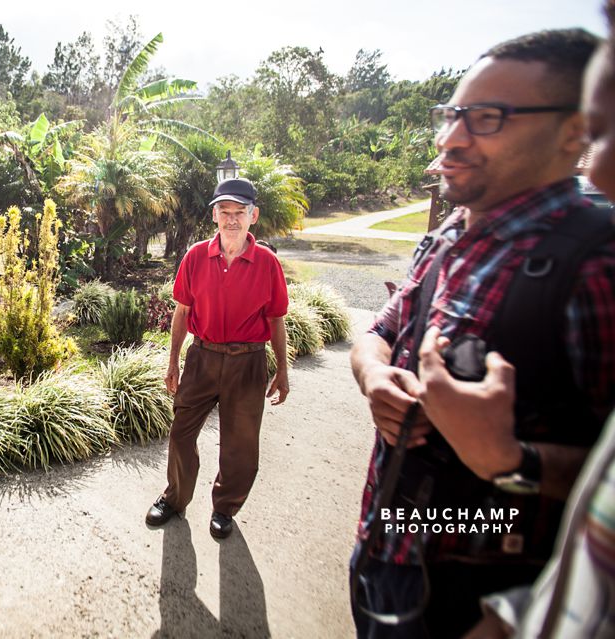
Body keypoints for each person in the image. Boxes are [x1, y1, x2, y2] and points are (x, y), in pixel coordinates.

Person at [348, 29, 615, 638]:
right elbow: (380, 330)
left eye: (487, 118)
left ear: (573, 131)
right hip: (386, 549)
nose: (451, 139)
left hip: (481, 599)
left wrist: (510, 459)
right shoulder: (447, 238)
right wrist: (374, 375)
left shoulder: (596, 266)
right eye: (452, 116)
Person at [144, 178, 290, 539]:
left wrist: (283, 370)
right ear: (214, 215)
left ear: (253, 216)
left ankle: (225, 507)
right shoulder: (195, 257)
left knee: (241, 445)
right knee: (180, 434)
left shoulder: (267, 263)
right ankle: (175, 499)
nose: (232, 220)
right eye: (225, 212)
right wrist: (173, 360)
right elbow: (181, 312)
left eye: (240, 212)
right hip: (202, 358)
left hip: (248, 362)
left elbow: (276, 319)